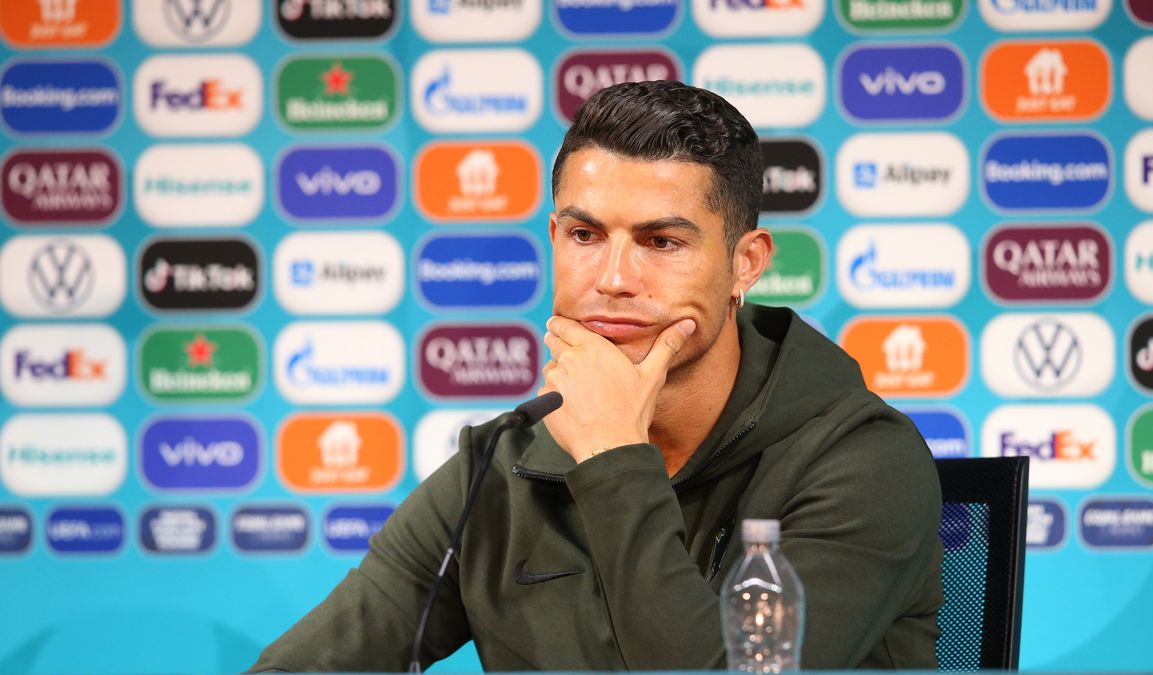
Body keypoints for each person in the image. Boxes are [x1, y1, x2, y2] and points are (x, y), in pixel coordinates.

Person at [249, 81, 943, 672]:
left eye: (661, 242)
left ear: (746, 262)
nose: (612, 280)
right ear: (555, 238)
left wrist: (613, 457)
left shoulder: (863, 462)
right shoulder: (501, 464)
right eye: (585, 236)